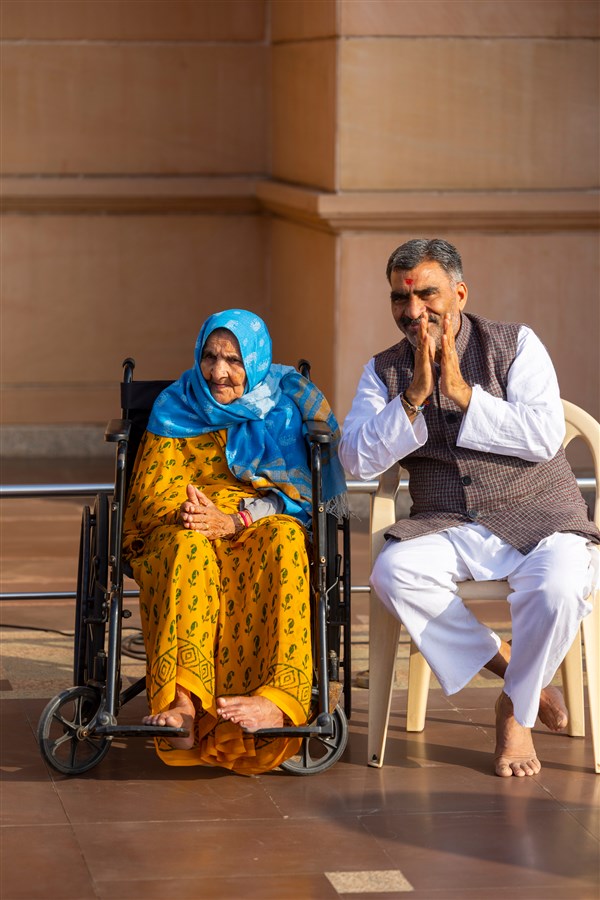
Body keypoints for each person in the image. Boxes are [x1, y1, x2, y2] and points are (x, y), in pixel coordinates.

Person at [339, 238, 599, 778]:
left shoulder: (516, 343)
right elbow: (355, 459)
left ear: (459, 292)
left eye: (427, 295)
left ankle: (515, 709)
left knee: (559, 584)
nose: (412, 312)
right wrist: (411, 397)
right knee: (392, 573)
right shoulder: (383, 371)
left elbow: (545, 435)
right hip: (448, 521)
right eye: (399, 300)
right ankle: (507, 665)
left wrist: (463, 394)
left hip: (540, 516)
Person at [123, 309, 346, 775]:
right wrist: (192, 513)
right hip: (183, 527)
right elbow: (147, 493)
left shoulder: (282, 410)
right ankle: (182, 702)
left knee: (286, 539)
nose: (219, 371)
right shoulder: (173, 405)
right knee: (188, 549)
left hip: (252, 523)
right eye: (210, 356)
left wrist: (236, 518)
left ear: (257, 360)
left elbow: (298, 498)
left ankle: (276, 698)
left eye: (234, 359)